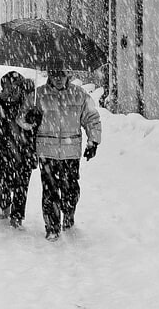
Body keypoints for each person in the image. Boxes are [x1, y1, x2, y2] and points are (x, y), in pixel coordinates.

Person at [18, 68, 101, 241]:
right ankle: (52, 227)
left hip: (71, 152)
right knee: (50, 191)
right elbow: (21, 119)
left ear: (68, 75)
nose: (57, 78)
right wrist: (29, 118)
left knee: (71, 190)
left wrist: (93, 140)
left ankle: (68, 213)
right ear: (49, 75)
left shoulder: (79, 94)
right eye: (54, 74)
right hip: (47, 151)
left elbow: (92, 117)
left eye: (61, 74)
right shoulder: (37, 96)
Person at [0, 71, 42, 229]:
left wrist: (34, 118)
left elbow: (36, 126)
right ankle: (4, 205)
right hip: (1, 151)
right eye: (7, 87)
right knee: (2, 184)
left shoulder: (28, 101)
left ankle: (17, 217)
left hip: (24, 151)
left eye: (15, 87)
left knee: (22, 186)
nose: (11, 90)